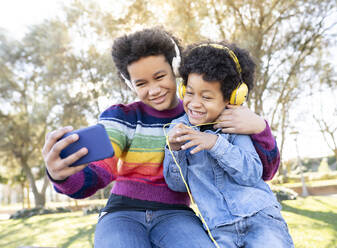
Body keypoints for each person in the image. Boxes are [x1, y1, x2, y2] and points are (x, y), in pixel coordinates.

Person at [42, 28, 280, 248]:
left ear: (176, 71)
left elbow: (263, 173)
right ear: (130, 84)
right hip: (122, 213)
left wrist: (260, 128)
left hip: (177, 215)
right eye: (141, 83)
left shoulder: (201, 113)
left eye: (160, 76)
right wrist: (63, 176)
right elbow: (101, 171)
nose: (153, 90)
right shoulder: (122, 117)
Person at [163, 42, 293, 248]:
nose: (195, 103)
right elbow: (177, 185)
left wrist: (215, 144)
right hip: (218, 227)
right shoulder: (179, 129)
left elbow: (251, 173)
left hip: (260, 218)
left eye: (206, 97)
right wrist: (174, 150)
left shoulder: (235, 124)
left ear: (230, 98)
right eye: (189, 92)